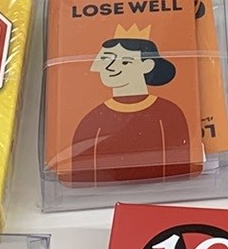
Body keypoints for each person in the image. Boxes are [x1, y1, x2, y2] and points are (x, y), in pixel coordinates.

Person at [65, 35, 195, 184]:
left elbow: (182, 168)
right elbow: (82, 175)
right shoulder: (93, 120)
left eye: (125, 62)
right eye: (106, 60)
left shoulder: (169, 113)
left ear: (147, 65)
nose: (110, 67)